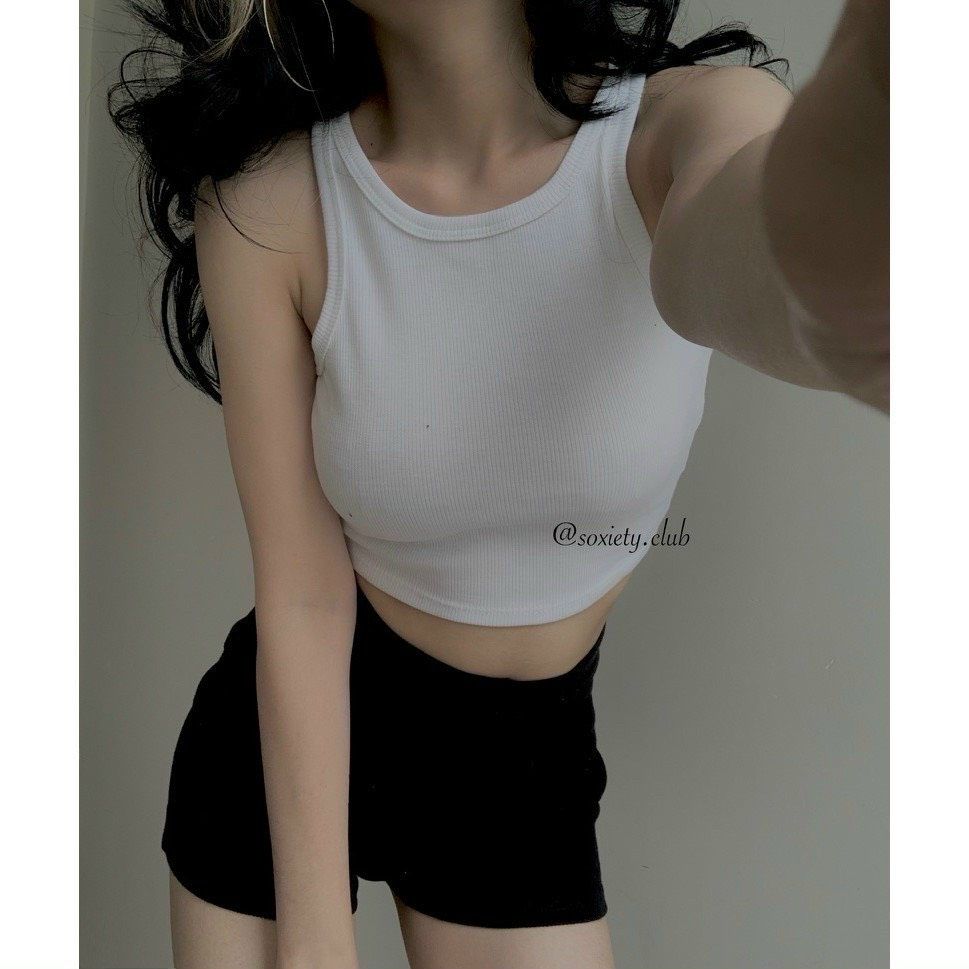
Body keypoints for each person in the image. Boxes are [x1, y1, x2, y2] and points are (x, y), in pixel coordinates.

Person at [110, 0, 888, 966]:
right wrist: (316, 946)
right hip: (290, 753)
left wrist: (862, 251)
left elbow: (773, 274)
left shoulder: (679, 131)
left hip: (522, 771)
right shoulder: (270, 200)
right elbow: (301, 597)